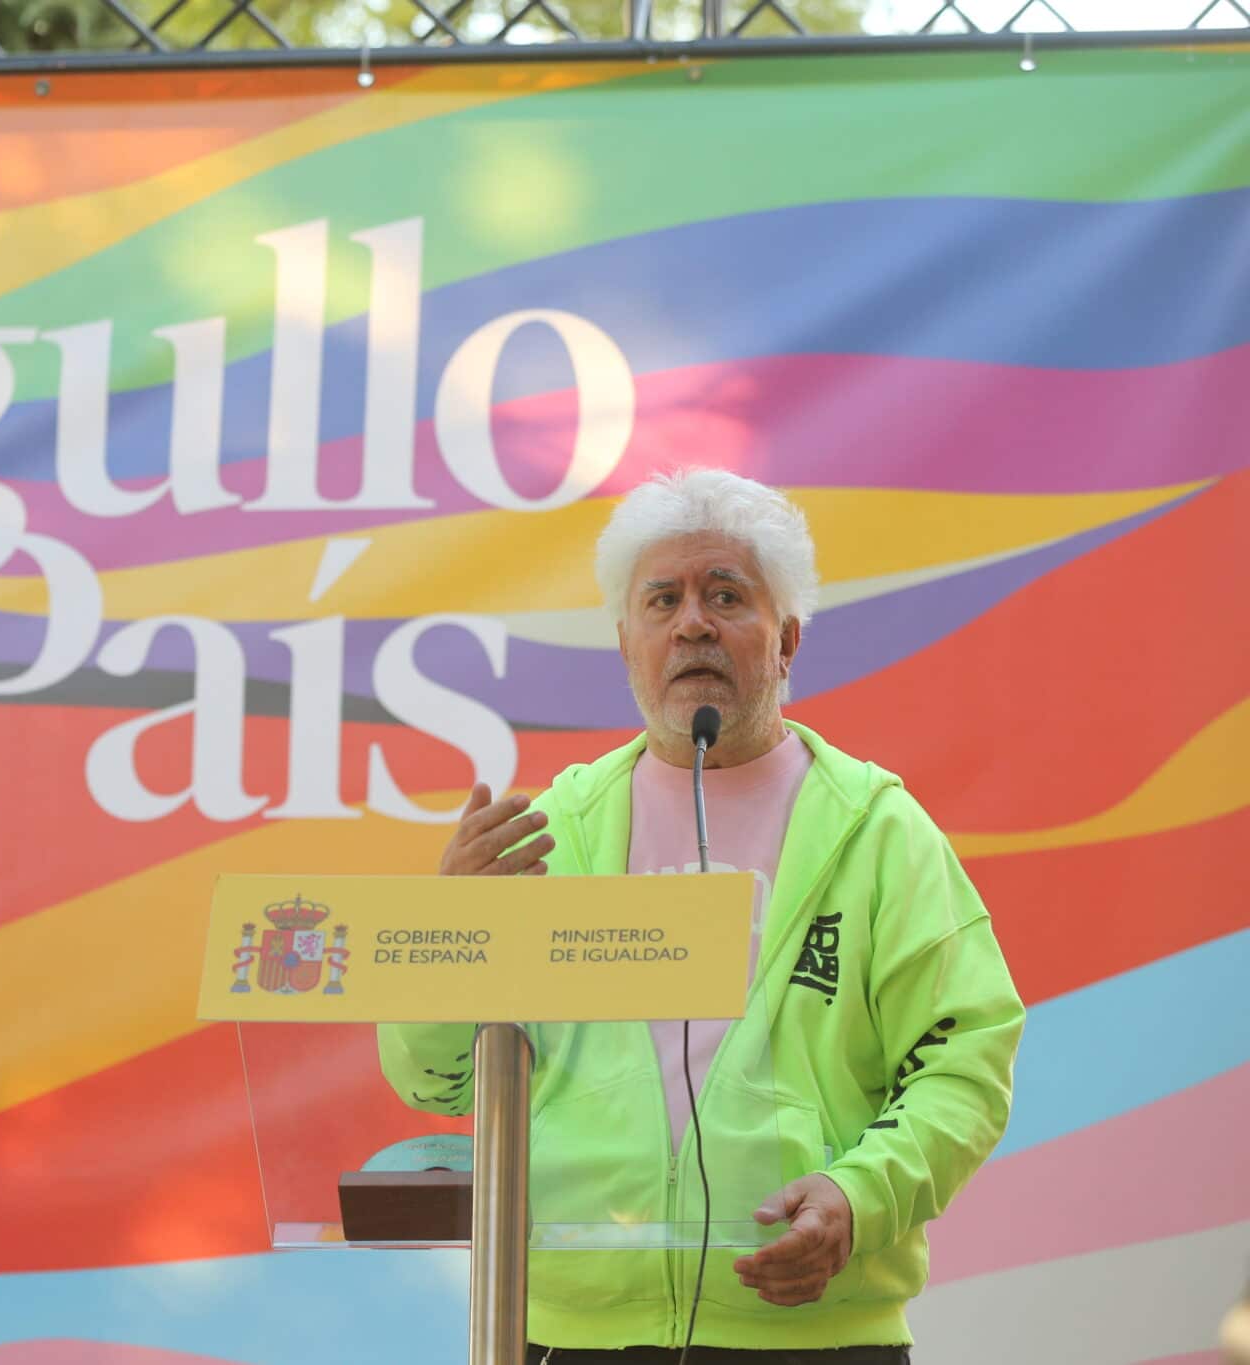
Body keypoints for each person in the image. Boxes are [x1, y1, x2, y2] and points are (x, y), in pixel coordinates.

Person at [380, 468, 1025, 1362]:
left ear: (788, 639)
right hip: (575, 1331)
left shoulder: (878, 831)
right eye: (662, 600)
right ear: (625, 643)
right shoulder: (549, 835)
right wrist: (443, 940)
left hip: (814, 1329)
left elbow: (965, 1062)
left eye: (726, 595)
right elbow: (438, 1081)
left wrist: (859, 1195)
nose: (692, 622)